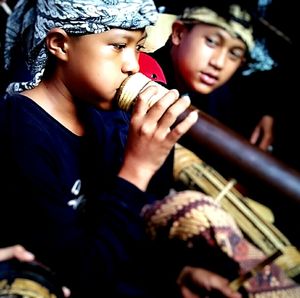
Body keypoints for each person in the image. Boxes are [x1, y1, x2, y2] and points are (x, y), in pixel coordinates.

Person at [0, 0, 242, 297]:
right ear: (60, 44)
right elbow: (80, 271)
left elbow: (124, 226)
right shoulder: (20, 132)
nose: (133, 65)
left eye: (137, 47)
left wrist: (178, 275)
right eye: (118, 46)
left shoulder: (105, 115)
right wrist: (137, 168)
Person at [150, 0, 274, 152]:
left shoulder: (222, 100)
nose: (219, 63)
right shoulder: (140, 81)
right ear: (179, 33)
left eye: (234, 54)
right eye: (211, 42)